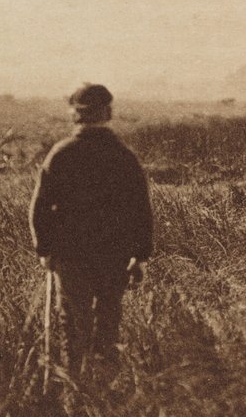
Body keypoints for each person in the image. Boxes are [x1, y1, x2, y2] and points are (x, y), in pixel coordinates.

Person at [28, 83, 153, 379]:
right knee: (108, 323)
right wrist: (140, 255)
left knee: (73, 325)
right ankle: (105, 386)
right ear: (108, 113)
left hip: (70, 256)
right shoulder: (124, 156)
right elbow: (141, 209)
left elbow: (39, 207)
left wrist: (44, 249)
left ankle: (76, 388)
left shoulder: (61, 154)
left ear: (75, 114)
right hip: (114, 255)